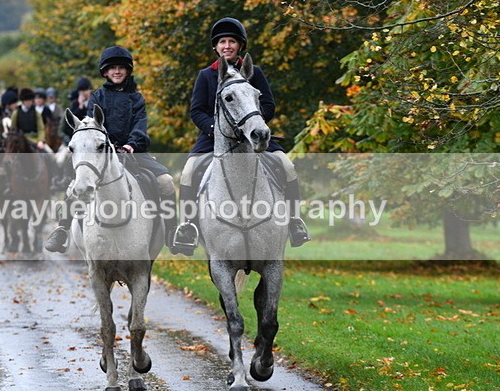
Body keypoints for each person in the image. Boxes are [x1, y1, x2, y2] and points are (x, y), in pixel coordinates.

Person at [171, 17, 310, 255]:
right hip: (213, 138)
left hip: (254, 136)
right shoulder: (206, 75)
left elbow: (268, 104)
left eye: (232, 42)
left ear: (240, 46)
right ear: (216, 47)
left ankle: (295, 222)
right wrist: (215, 129)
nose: (227, 46)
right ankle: (188, 226)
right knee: (189, 172)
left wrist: (251, 125)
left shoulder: (254, 72)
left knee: (287, 166)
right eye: (222, 42)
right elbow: (196, 110)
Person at [44, 46, 179, 254]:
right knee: (75, 184)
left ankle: (172, 232)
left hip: (133, 152)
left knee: (166, 181)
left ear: (128, 71)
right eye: (112, 68)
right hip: (102, 153)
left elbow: (140, 126)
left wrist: (131, 144)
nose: (117, 71)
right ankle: (62, 229)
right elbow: (90, 127)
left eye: (121, 68)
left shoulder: (137, 99)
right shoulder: (98, 97)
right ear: (105, 72)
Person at [61, 77, 93, 144]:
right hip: (77, 136)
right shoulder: (75, 103)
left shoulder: (95, 101)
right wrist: (80, 107)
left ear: (90, 90)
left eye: (86, 90)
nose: (84, 93)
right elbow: (71, 120)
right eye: (81, 91)